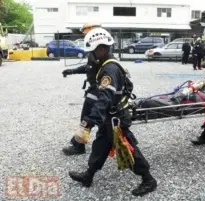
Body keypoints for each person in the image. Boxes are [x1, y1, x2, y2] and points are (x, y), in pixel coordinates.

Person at [68, 27, 157, 196]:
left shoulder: (109, 69)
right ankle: (89, 175)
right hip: (110, 117)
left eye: (92, 51)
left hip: (117, 118)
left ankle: (149, 180)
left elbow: (104, 98)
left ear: (101, 49)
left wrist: (88, 121)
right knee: (101, 144)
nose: (90, 55)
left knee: (127, 147)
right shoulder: (104, 64)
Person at [62, 23, 103, 155]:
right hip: (95, 89)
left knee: (87, 119)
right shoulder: (95, 50)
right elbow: (88, 67)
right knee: (91, 119)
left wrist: (98, 90)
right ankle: (78, 144)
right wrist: (72, 71)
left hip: (98, 91)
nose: (84, 36)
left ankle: (78, 146)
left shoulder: (100, 51)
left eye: (86, 33)